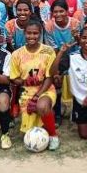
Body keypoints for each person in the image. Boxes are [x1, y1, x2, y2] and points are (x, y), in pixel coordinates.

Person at [52, 27, 87, 151]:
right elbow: (54, 72)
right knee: (84, 135)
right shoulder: (72, 57)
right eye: (84, 38)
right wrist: (61, 52)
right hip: (80, 100)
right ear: (80, 39)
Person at [9, 20, 60, 150]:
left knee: (42, 105)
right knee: (28, 134)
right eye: (29, 33)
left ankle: (53, 135)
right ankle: (46, 119)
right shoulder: (16, 54)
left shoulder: (48, 51)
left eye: (35, 33)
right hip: (26, 92)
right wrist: (25, 81)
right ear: (24, 33)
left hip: (45, 89)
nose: (32, 36)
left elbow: (49, 77)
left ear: (40, 33)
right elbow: (14, 78)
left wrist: (37, 95)